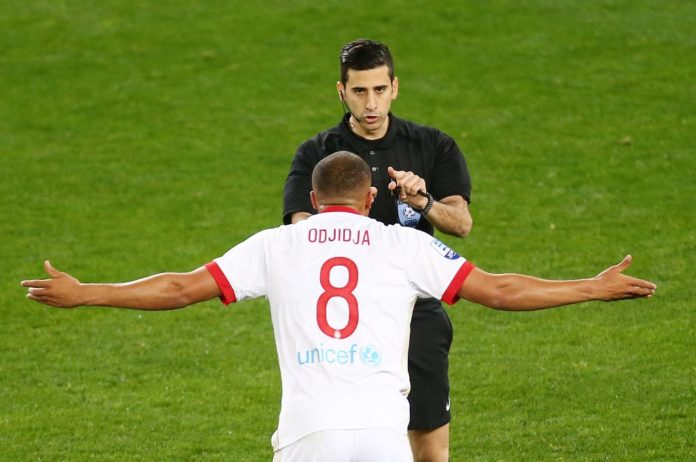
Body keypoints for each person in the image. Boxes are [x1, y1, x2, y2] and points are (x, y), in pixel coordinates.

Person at [22, 151, 656, 462]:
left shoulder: (276, 245)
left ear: (313, 199)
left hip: (309, 430)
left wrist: (87, 292)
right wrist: (590, 286)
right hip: (383, 432)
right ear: (370, 197)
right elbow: (500, 291)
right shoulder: (403, 243)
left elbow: (181, 288)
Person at [282, 38, 473, 462]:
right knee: (342, 443)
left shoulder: (432, 145)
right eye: (359, 91)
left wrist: (422, 201)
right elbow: (299, 230)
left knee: (429, 448)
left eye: (380, 90)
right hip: (344, 322)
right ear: (341, 91)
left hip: (416, 314)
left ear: (395, 87)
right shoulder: (318, 155)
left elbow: (461, 224)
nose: (371, 104)